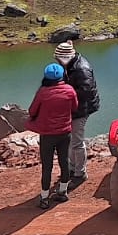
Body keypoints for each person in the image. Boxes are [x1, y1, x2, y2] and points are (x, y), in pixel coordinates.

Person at [27, 62, 78, 209]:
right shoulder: (69, 90)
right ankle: (63, 191)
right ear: (62, 76)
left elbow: (32, 112)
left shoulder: (43, 92)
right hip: (65, 132)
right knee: (64, 161)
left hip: (47, 135)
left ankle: (44, 198)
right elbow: (74, 107)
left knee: (47, 166)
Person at [53, 40, 100, 191]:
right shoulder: (71, 66)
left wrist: (64, 92)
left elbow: (86, 92)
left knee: (77, 142)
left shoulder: (81, 69)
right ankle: (72, 169)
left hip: (82, 109)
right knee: (70, 140)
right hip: (73, 109)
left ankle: (80, 173)